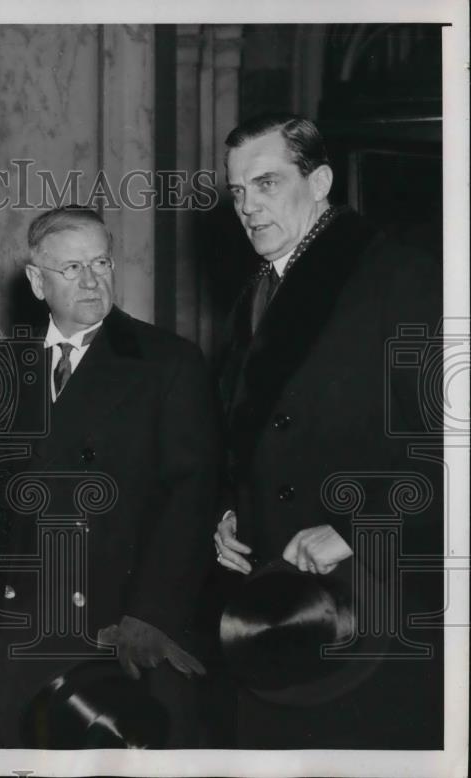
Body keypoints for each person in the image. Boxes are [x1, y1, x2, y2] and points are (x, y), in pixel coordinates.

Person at [212, 113, 443, 748]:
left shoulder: (401, 277)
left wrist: (354, 526)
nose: (248, 207)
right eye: (238, 191)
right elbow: (247, 435)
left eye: (267, 184)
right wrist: (227, 511)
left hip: (372, 604)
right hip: (276, 608)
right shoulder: (256, 292)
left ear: (320, 183)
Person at [0, 206, 221, 748]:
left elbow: (191, 497)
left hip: (118, 627)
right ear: (36, 281)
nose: (92, 280)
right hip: (21, 624)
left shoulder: (167, 362)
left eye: (101, 263)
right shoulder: (3, 369)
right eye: (72, 268)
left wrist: (151, 614)